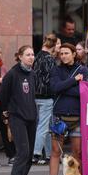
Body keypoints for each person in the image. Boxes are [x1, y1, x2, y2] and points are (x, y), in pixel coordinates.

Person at [0, 46, 37, 175]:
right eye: (28, 55)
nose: (31, 57)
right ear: (20, 56)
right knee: (22, 153)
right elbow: (3, 98)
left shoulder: (32, 74)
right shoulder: (12, 74)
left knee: (29, 156)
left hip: (31, 118)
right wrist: (6, 118)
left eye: (32, 54)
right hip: (17, 118)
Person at [49, 43, 88, 175]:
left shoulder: (83, 70)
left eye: (67, 53)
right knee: (55, 152)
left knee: (77, 152)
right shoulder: (56, 70)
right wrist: (73, 81)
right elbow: (54, 88)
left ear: (74, 54)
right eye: (62, 53)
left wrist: (64, 87)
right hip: (59, 116)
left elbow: (83, 92)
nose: (64, 56)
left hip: (77, 116)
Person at [32, 34, 58, 165]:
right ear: (53, 46)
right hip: (46, 96)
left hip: (35, 95)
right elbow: (50, 79)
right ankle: (35, 153)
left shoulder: (36, 56)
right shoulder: (50, 59)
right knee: (43, 126)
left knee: (46, 126)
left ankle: (49, 154)